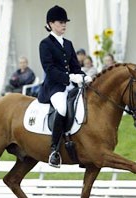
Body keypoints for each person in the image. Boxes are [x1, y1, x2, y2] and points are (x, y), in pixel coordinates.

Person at [37, 5, 92, 168]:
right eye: (61, 22)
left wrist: (84, 76)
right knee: (61, 108)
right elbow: (49, 69)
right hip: (54, 87)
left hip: (70, 86)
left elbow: (75, 67)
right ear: (51, 23)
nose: (64, 25)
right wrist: (69, 77)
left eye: (65, 22)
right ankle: (54, 150)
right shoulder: (45, 44)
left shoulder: (68, 44)